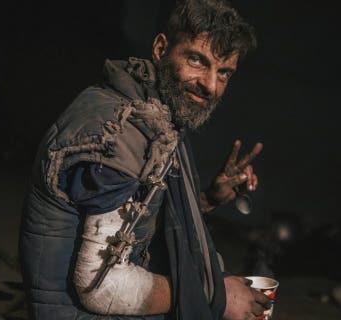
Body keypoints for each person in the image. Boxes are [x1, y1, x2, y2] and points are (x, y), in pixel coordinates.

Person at [19, 1, 271, 319]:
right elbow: (101, 288)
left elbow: (137, 214)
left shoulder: (149, 109)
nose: (210, 85)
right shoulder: (122, 132)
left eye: (223, 73)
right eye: (197, 60)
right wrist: (216, 296)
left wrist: (208, 198)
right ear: (161, 48)